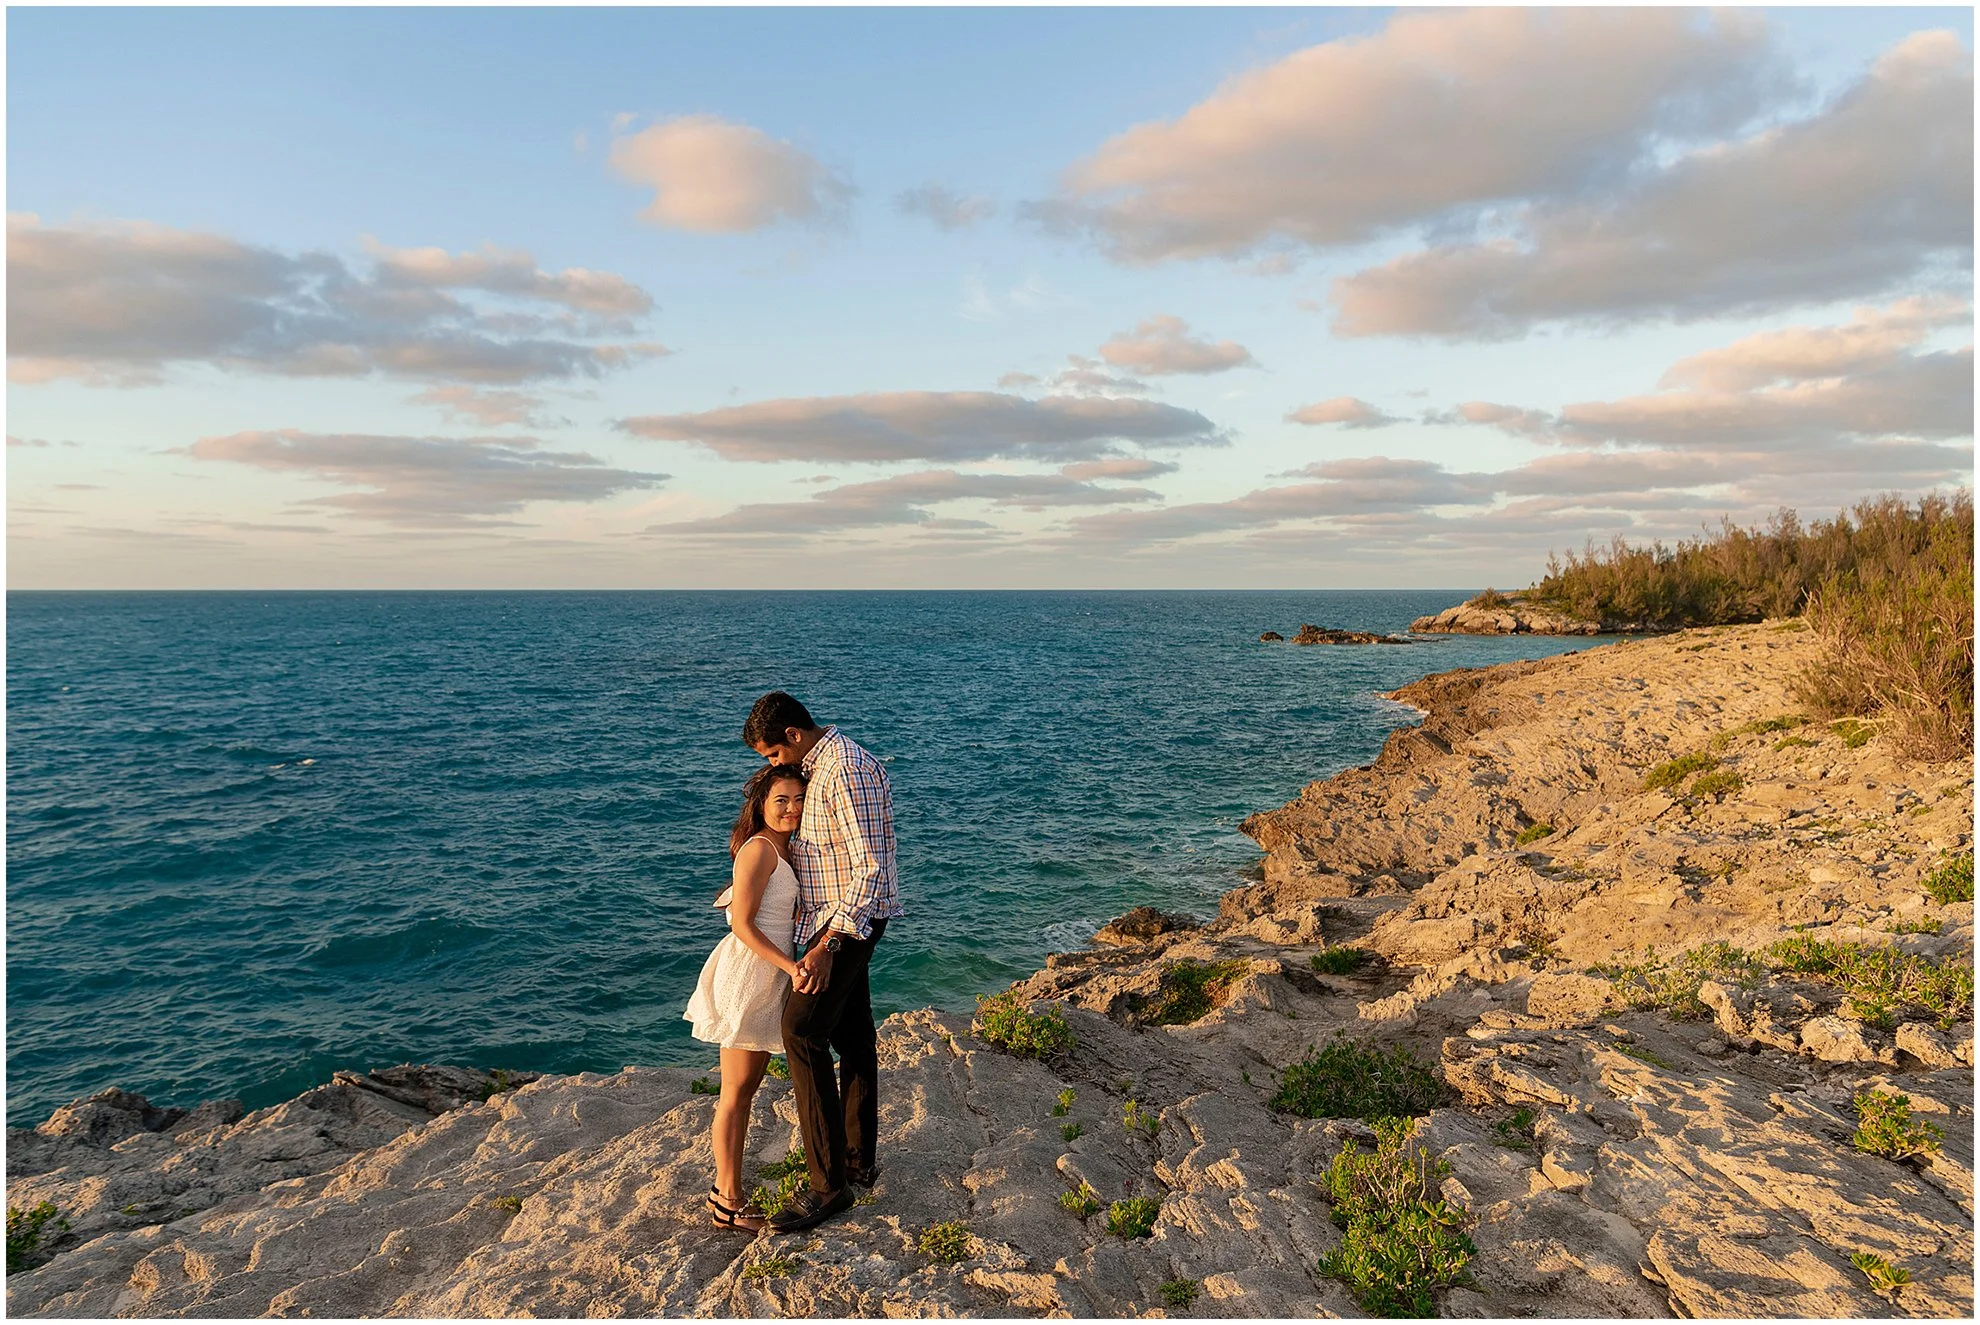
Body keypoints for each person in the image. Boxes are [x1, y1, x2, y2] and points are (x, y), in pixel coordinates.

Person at [742, 691, 903, 1235]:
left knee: (802, 1030)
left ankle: (827, 1187)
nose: (773, 767)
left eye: (771, 755)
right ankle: (856, 1162)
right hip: (829, 923)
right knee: (853, 1034)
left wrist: (828, 945)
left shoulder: (846, 769)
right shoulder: (824, 766)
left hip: (846, 924)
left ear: (792, 735)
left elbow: (872, 869)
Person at [683, 762, 810, 1232]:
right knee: (735, 1093)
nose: (792, 808)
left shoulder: (785, 848)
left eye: (799, 799)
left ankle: (728, 1191)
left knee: (746, 1089)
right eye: (781, 800)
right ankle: (727, 1199)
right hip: (751, 974)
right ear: (760, 805)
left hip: (768, 974)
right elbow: (741, 923)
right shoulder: (759, 850)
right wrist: (791, 966)